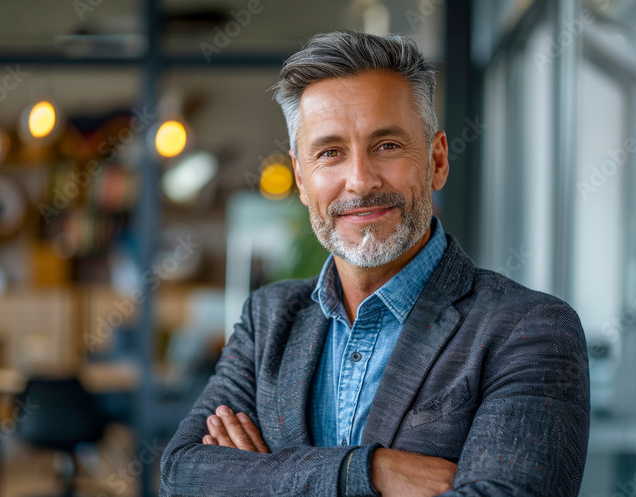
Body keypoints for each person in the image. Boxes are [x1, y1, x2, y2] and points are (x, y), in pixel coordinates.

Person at [159, 30, 589, 497]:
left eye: (386, 145)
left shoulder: (528, 329)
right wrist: (367, 472)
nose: (360, 182)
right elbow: (183, 473)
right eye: (330, 153)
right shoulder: (268, 320)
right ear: (302, 180)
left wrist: (265, 478)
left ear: (437, 160)